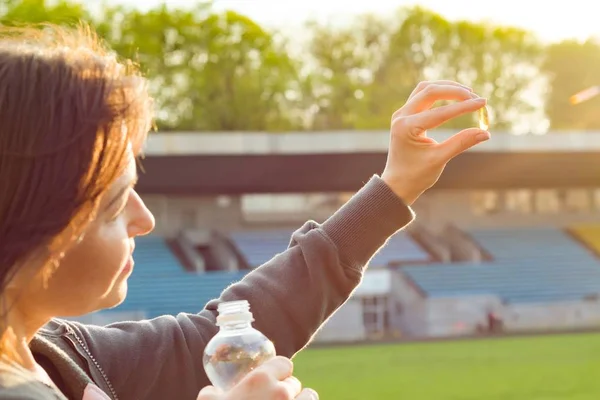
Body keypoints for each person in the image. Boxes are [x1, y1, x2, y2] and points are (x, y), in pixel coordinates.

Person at [0, 24, 489, 400]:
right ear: (27, 224)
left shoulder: (51, 349)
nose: (144, 219)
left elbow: (214, 344)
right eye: (111, 205)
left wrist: (394, 188)